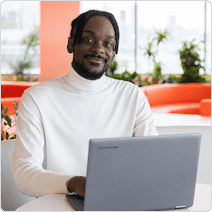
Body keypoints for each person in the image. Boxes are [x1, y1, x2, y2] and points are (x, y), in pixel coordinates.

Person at [12, 10, 158, 198]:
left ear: (114, 52)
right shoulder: (37, 98)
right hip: (60, 204)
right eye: (89, 40)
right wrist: (73, 183)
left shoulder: (131, 95)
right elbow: (24, 175)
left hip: (119, 202)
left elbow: (153, 161)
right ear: (71, 43)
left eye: (108, 44)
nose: (99, 49)